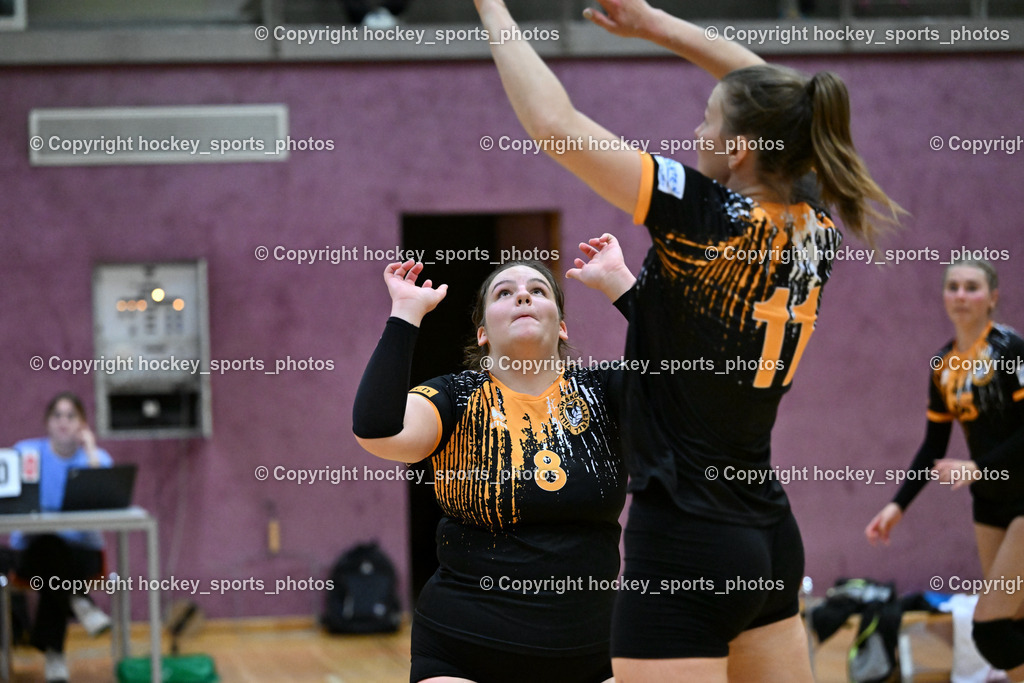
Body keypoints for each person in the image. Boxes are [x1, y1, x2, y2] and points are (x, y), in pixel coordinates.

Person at [473, 0, 904, 679]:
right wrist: (651, 23)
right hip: (766, 536)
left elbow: (555, 127)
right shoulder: (817, 217)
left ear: (738, 148)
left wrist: (490, 7)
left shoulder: (701, 209)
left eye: (707, 118)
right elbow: (779, 96)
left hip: (686, 541)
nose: (695, 129)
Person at [352, 259, 628, 683]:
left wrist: (623, 288)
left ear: (562, 327)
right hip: (463, 651)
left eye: (538, 291)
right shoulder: (454, 396)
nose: (523, 295)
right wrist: (405, 312)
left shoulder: (605, 392)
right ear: (483, 334)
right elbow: (377, 430)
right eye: (504, 293)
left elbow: (694, 386)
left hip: (594, 654)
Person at [865, 260, 1024, 680]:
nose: (960, 295)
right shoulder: (943, 366)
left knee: (991, 629)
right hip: (989, 505)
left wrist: (977, 466)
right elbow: (933, 446)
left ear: (992, 298)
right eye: (952, 286)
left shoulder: (1008, 350)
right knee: (1015, 621)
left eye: (971, 287)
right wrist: (897, 506)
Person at [11, 392, 114, 683]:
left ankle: (54, 653)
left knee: (54, 562)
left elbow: (106, 496)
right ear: (47, 422)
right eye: (58, 415)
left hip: (81, 555)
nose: (64, 422)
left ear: (82, 423)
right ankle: (79, 600)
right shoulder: (27, 453)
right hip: (35, 552)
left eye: (71, 416)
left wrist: (90, 448)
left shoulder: (97, 458)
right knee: (48, 545)